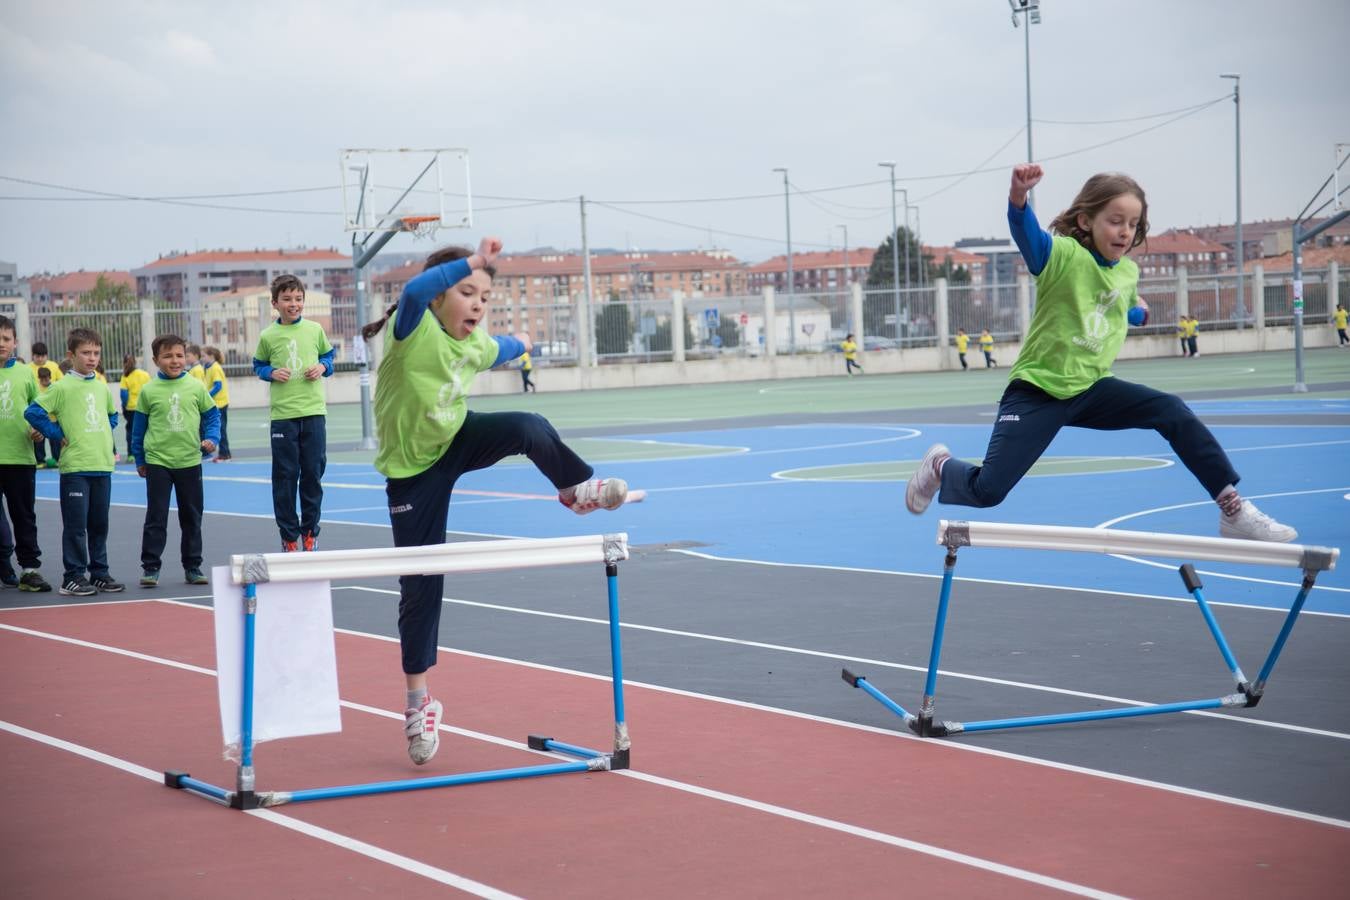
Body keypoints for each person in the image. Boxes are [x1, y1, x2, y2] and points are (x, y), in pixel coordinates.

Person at [904, 163, 1298, 543]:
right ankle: (940, 465)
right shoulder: (1060, 257)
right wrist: (1018, 198)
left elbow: (1118, 302)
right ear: (1085, 221)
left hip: (1092, 390)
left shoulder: (1127, 272)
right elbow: (1028, 236)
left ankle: (1232, 508)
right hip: (1038, 391)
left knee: (1171, 410)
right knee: (989, 491)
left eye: (1133, 224)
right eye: (1115, 220)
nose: (1125, 231)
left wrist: (1138, 312)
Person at [362, 237, 634, 766]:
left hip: (457, 439)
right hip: (413, 472)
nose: (479, 304)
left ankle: (573, 489)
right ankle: (418, 705)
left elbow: (502, 348)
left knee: (529, 426)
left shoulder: (475, 342)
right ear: (442, 295)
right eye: (468, 292)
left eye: (486, 295)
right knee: (421, 584)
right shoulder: (411, 326)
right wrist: (471, 261)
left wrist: (524, 340)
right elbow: (415, 287)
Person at [24, 328, 125, 596]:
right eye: (86, 353)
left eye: (96, 353)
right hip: (76, 468)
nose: (92, 358)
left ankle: (100, 573)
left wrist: (101, 434)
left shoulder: (101, 387)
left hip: (102, 465)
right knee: (76, 526)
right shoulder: (61, 387)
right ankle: (73, 576)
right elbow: (33, 412)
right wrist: (56, 433)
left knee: (99, 525)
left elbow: (112, 417)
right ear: (71, 354)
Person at [131, 334, 220, 586]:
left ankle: (192, 566)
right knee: (156, 517)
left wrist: (211, 438)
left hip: (190, 461)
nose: (175, 360)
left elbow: (213, 416)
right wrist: (140, 458)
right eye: (168, 356)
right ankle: (150, 567)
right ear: (156, 360)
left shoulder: (196, 387)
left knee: (192, 517)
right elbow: (139, 430)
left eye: (179, 355)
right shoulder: (148, 391)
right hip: (158, 462)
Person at [253, 274, 334, 552]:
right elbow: (258, 365)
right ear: (275, 303)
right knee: (285, 477)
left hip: (313, 413)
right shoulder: (268, 335)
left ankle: (310, 533)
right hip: (283, 418)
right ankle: (288, 537)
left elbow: (329, 358)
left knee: (312, 474)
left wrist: (323, 367)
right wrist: (271, 372)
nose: (293, 304)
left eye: (298, 299)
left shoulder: (314, 330)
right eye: (287, 299)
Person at [0, 316, 52, 592]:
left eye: (6, 339)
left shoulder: (24, 374)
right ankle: (3, 559)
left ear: (15, 343)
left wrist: (39, 430)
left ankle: (29, 569)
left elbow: (38, 411)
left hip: (20, 458)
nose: (1, 343)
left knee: (24, 515)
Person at [200, 345, 232, 461]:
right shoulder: (208, 367)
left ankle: (225, 455)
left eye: (203, 356)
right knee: (217, 428)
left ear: (211, 356)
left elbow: (218, 386)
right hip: (215, 404)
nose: (202, 358)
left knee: (221, 429)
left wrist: (207, 396)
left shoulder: (215, 367)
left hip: (220, 403)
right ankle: (223, 454)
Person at [119, 354, 151, 463]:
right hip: (145, 407)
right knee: (146, 430)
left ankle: (131, 454)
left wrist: (124, 406)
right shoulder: (145, 374)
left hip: (131, 408)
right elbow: (150, 389)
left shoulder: (126, 376)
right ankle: (147, 452)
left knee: (131, 431)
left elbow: (124, 394)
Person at [33, 366, 59, 467]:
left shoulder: (54, 388)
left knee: (55, 441)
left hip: (53, 420)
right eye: (42, 379)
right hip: (40, 421)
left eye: (47, 378)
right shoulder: (36, 388)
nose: (45, 381)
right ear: (39, 378)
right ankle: (40, 461)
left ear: (50, 377)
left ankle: (57, 459)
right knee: (39, 442)